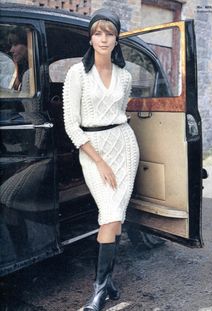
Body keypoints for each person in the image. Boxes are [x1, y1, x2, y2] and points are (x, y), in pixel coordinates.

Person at [63, 8, 139, 311]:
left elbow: (122, 112)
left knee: (115, 216)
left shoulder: (126, 75)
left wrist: (116, 149)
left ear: (117, 38)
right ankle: (101, 287)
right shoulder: (76, 73)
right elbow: (71, 124)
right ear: (90, 37)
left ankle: (103, 285)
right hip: (94, 151)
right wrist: (101, 161)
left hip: (125, 145)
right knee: (109, 213)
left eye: (109, 33)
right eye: (98, 32)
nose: (103, 38)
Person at [8, 27, 29, 91]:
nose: (11, 50)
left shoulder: (33, 71)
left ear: (28, 45)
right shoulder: (20, 66)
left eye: (15, 44)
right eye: (11, 45)